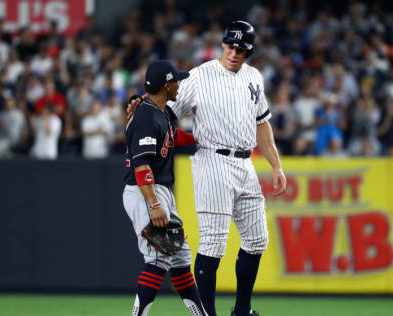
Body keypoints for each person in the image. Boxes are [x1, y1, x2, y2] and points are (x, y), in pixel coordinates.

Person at [128, 21, 287, 316]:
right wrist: (140, 104)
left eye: (242, 48)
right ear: (222, 43)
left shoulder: (254, 77)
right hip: (212, 161)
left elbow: (262, 124)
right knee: (213, 244)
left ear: (250, 51)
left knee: (257, 240)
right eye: (230, 45)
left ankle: (241, 311)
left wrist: (276, 165)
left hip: (246, 163)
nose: (235, 52)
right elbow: (162, 109)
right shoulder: (200, 77)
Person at [122, 60, 207, 316]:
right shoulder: (147, 117)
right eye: (176, 81)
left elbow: (171, 137)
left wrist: (199, 138)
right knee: (157, 258)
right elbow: (141, 165)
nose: (179, 85)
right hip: (145, 190)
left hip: (159, 190)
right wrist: (154, 204)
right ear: (167, 85)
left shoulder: (160, 112)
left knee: (180, 259)